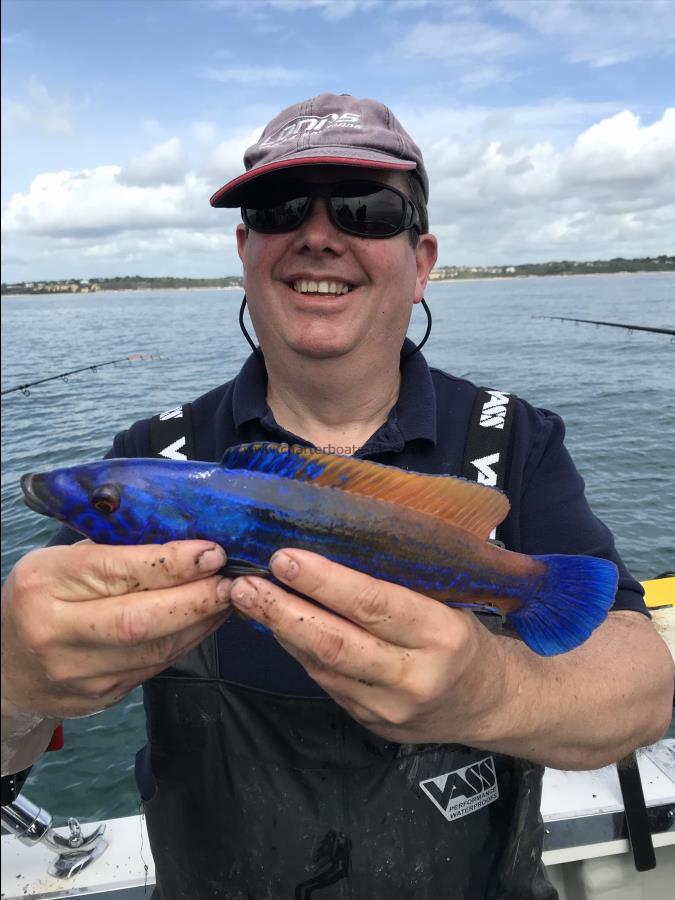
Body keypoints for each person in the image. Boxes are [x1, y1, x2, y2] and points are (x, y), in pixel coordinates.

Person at [2, 93, 673, 900]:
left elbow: (638, 688)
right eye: (280, 207)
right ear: (246, 248)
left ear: (420, 261)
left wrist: (490, 692)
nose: (319, 235)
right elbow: (20, 728)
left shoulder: (513, 438)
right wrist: (16, 679)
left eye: (365, 210)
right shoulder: (152, 456)